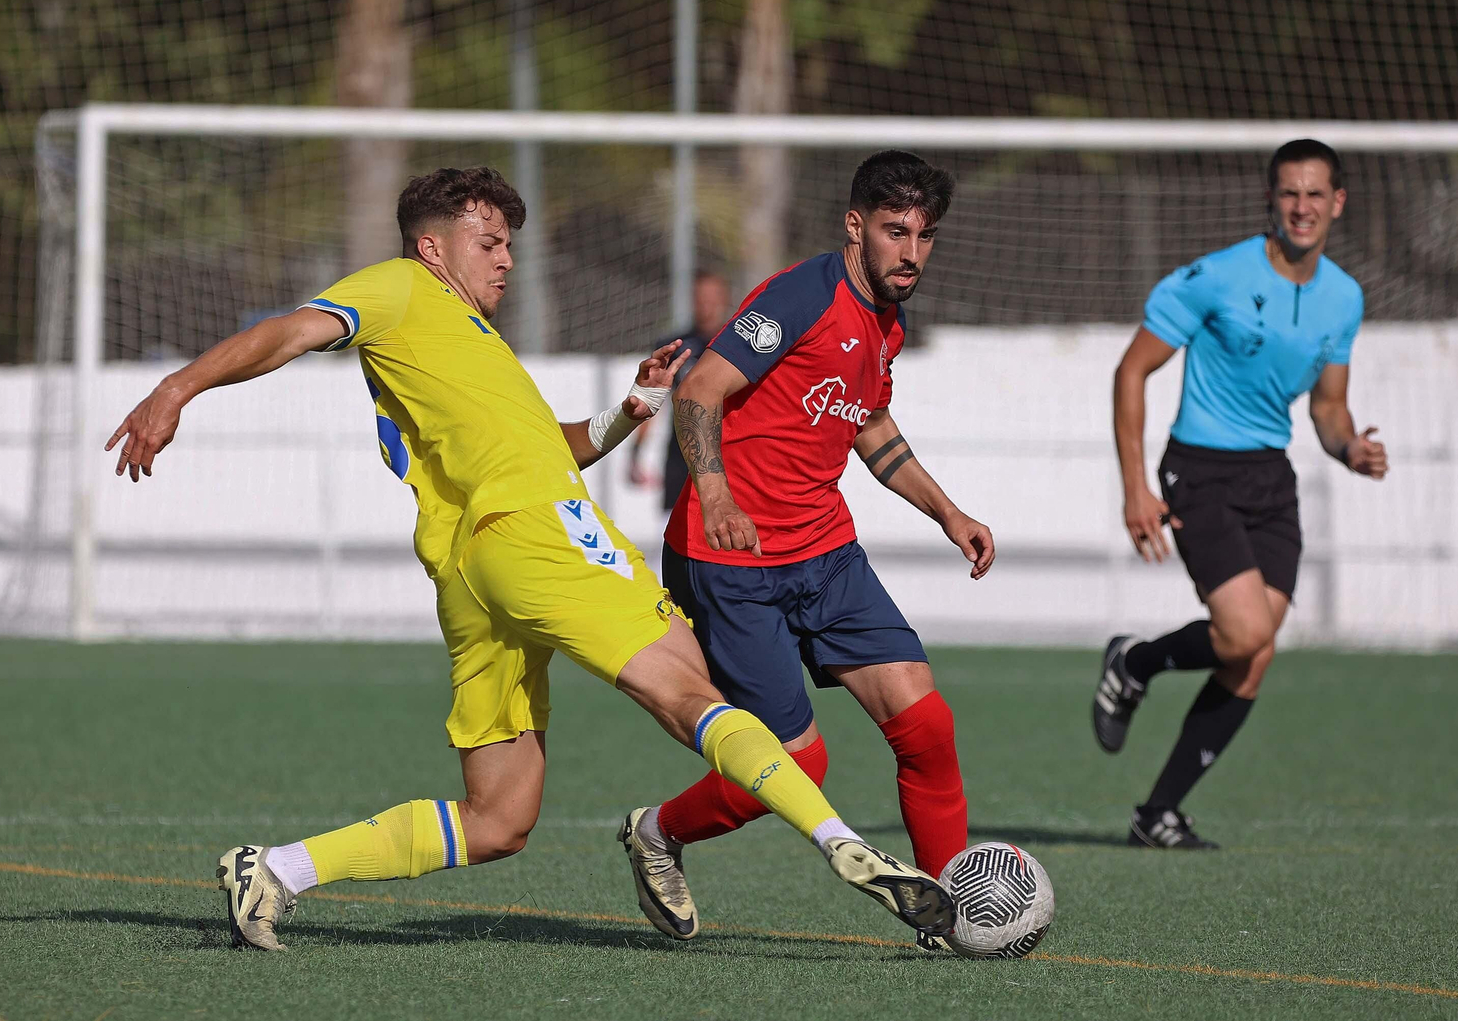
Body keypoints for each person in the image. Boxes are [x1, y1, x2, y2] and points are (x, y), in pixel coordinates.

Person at [105, 166, 954, 950]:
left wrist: (629, 411)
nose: (507, 260)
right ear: (433, 247)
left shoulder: (464, 343)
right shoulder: (400, 287)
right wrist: (176, 388)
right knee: (687, 689)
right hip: (538, 535)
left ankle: (279, 870)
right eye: (489, 243)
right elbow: (289, 331)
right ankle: (846, 845)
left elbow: (550, 446)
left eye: (510, 243)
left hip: (472, 572)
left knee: (499, 819)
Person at [617, 151, 994, 949]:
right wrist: (714, 492)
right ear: (856, 226)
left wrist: (946, 511)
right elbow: (698, 390)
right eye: (896, 232)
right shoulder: (801, 294)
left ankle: (954, 917)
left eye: (926, 236)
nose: (912, 252)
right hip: (733, 566)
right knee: (797, 771)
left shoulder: (887, 316)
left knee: (927, 726)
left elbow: (868, 424)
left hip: (826, 556)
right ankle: (658, 831)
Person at [1094, 139, 1388, 849]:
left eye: (1316, 194)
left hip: (1269, 477)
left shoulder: (1344, 297)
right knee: (1247, 631)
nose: (1303, 206)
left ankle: (1156, 811)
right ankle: (1133, 662)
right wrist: (1135, 485)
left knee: (1253, 654)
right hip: (1199, 470)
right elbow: (1131, 372)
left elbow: (1327, 408)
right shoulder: (1215, 277)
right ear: (1271, 200)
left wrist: (1349, 447)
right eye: (1290, 192)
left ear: (1337, 203)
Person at [627, 269, 733, 507]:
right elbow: (653, 400)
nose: (707, 305)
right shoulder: (675, 345)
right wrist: (636, 453)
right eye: (701, 297)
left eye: (713, 297)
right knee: (677, 527)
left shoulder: (738, 343)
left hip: (729, 451)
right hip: (683, 451)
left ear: (725, 299)